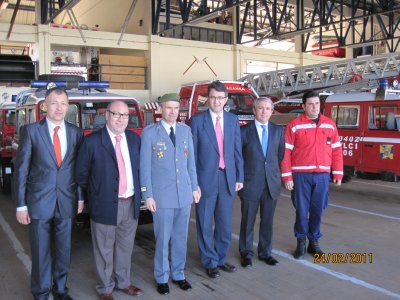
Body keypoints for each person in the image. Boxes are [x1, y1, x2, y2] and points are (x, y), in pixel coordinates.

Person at [14, 87, 84, 300]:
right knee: (41, 251)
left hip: (66, 200)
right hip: (38, 202)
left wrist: (80, 196)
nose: (59, 108)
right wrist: (20, 204)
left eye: (63, 103)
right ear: (45, 105)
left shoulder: (76, 132)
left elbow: (78, 169)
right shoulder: (31, 131)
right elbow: (22, 169)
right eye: (54, 103)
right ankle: (41, 292)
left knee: (64, 250)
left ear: (68, 106)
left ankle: (60, 289)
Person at [75, 101, 143, 300]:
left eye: (125, 115)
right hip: (104, 203)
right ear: (107, 115)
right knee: (104, 248)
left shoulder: (133, 139)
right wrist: (97, 193)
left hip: (130, 202)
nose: (121, 119)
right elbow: (81, 174)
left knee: (125, 246)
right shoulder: (92, 141)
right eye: (116, 114)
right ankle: (105, 288)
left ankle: (124, 282)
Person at [140, 93, 200, 295]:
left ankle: (179, 274)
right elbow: (144, 167)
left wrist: (195, 187)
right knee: (163, 239)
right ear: (160, 109)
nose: (173, 112)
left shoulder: (185, 131)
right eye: (168, 108)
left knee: (180, 238)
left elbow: (190, 163)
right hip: (162, 197)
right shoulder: (150, 133)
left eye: (176, 108)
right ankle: (162, 276)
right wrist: (147, 194)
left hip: (183, 194)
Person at [189, 80, 244, 278]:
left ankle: (220, 259)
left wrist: (239, 176)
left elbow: (237, 150)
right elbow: (192, 156)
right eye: (213, 97)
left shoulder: (232, 120)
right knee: (204, 223)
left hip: (228, 179)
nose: (216, 101)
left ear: (226, 99)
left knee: (224, 224)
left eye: (220, 98)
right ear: (207, 99)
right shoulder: (197, 121)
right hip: (205, 181)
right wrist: (194, 183)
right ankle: (209, 261)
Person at [281, 90, 343, 259]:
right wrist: (287, 177)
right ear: (303, 106)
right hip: (301, 176)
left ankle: (313, 242)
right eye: (310, 104)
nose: (315, 107)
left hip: (322, 175)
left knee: (318, 210)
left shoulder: (329, 124)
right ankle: (301, 241)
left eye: (317, 103)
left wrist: (337, 172)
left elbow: (337, 150)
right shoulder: (294, 125)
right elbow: (285, 153)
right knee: (301, 211)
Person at [239, 97, 285, 268]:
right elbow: (239, 159)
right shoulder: (244, 131)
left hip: (270, 184)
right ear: (254, 110)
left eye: (268, 108)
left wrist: (274, 174)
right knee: (247, 221)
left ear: (272, 111)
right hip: (250, 184)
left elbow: (279, 155)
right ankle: (246, 253)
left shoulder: (278, 131)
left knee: (267, 221)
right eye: (260, 108)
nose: (264, 112)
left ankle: (265, 253)